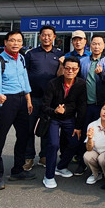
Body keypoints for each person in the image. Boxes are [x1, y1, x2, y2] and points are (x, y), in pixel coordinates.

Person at [0, 30, 34, 190]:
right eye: (12, 40)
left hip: (21, 100)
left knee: (23, 136)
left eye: (19, 41)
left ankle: (18, 170)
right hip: (6, 101)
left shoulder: (21, 57)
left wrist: (28, 99)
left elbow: (24, 78)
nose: (16, 43)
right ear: (5, 42)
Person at [40, 57, 87, 188]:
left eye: (74, 69)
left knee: (75, 142)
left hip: (69, 118)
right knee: (54, 144)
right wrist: (55, 110)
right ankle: (48, 176)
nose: (70, 71)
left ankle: (61, 166)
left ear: (78, 70)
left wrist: (78, 126)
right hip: (53, 118)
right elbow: (44, 106)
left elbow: (82, 106)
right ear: (63, 68)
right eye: (67, 68)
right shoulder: (53, 83)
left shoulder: (81, 84)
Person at [23, 25, 63, 171]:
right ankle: (28, 157)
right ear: (40, 36)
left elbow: (61, 76)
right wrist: (27, 97)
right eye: (44, 35)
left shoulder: (59, 54)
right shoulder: (31, 54)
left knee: (47, 128)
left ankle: (44, 156)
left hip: (50, 100)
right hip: (33, 97)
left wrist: (62, 64)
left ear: (54, 37)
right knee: (28, 129)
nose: (46, 37)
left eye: (49, 35)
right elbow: (24, 75)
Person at [81, 35, 105, 133]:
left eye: (99, 44)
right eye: (94, 44)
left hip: (100, 103)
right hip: (85, 103)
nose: (96, 47)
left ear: (104, 46)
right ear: (90, 45)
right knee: (85, 129)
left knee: (99, 130)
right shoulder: (83, 61)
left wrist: (101, 73)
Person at [84, 98, 105, 186]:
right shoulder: (92, 125)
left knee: (102, 159)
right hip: (97, 151)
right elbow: (89, 148)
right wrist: (90, 138)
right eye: (104, 109)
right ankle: (96, 173)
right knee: (87, 156)